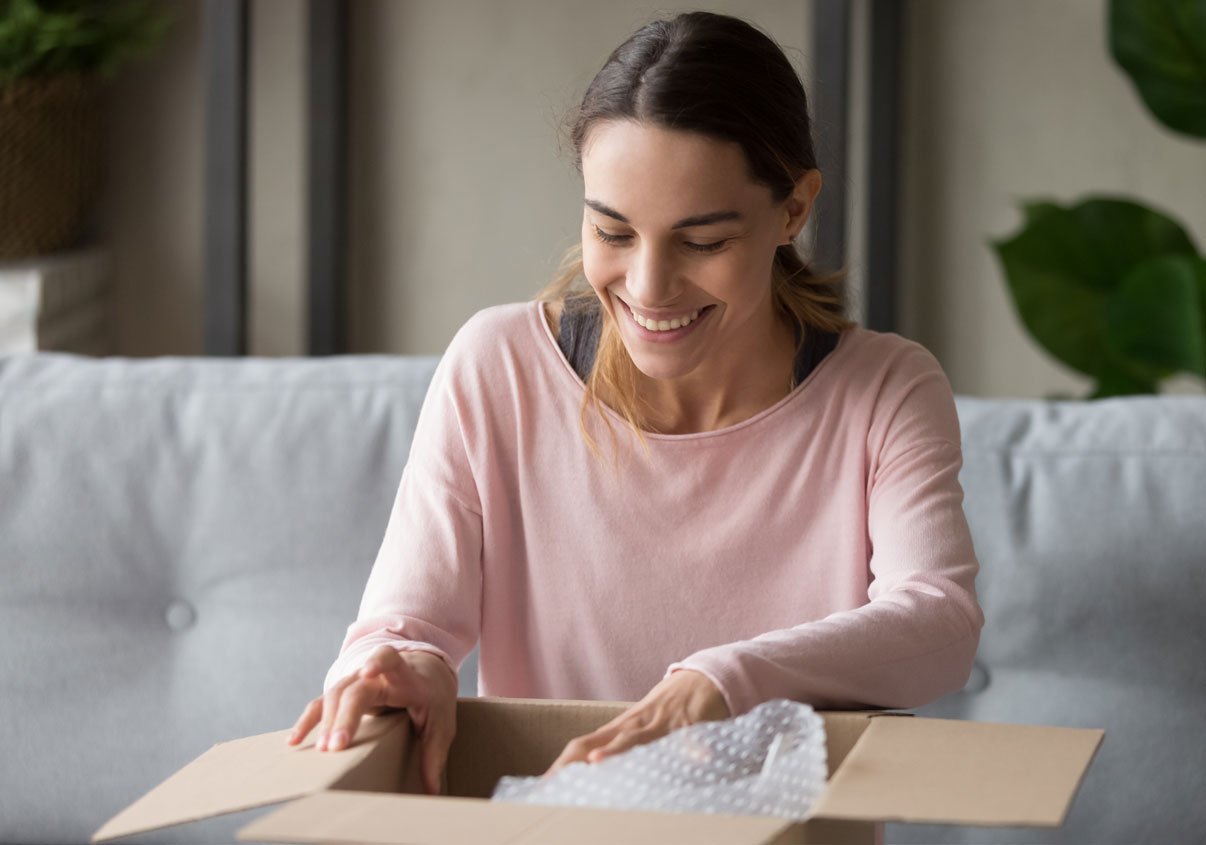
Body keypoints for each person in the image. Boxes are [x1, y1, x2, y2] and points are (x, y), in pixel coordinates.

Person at [286, 10, 984, 800]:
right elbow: (404, 628)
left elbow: (939, 625)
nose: (648, 288)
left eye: (703, 241)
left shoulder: (886, 391)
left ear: (793, 210)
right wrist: (402, 666)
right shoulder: (498, 369)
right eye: (612, 231)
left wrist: (725, 680)